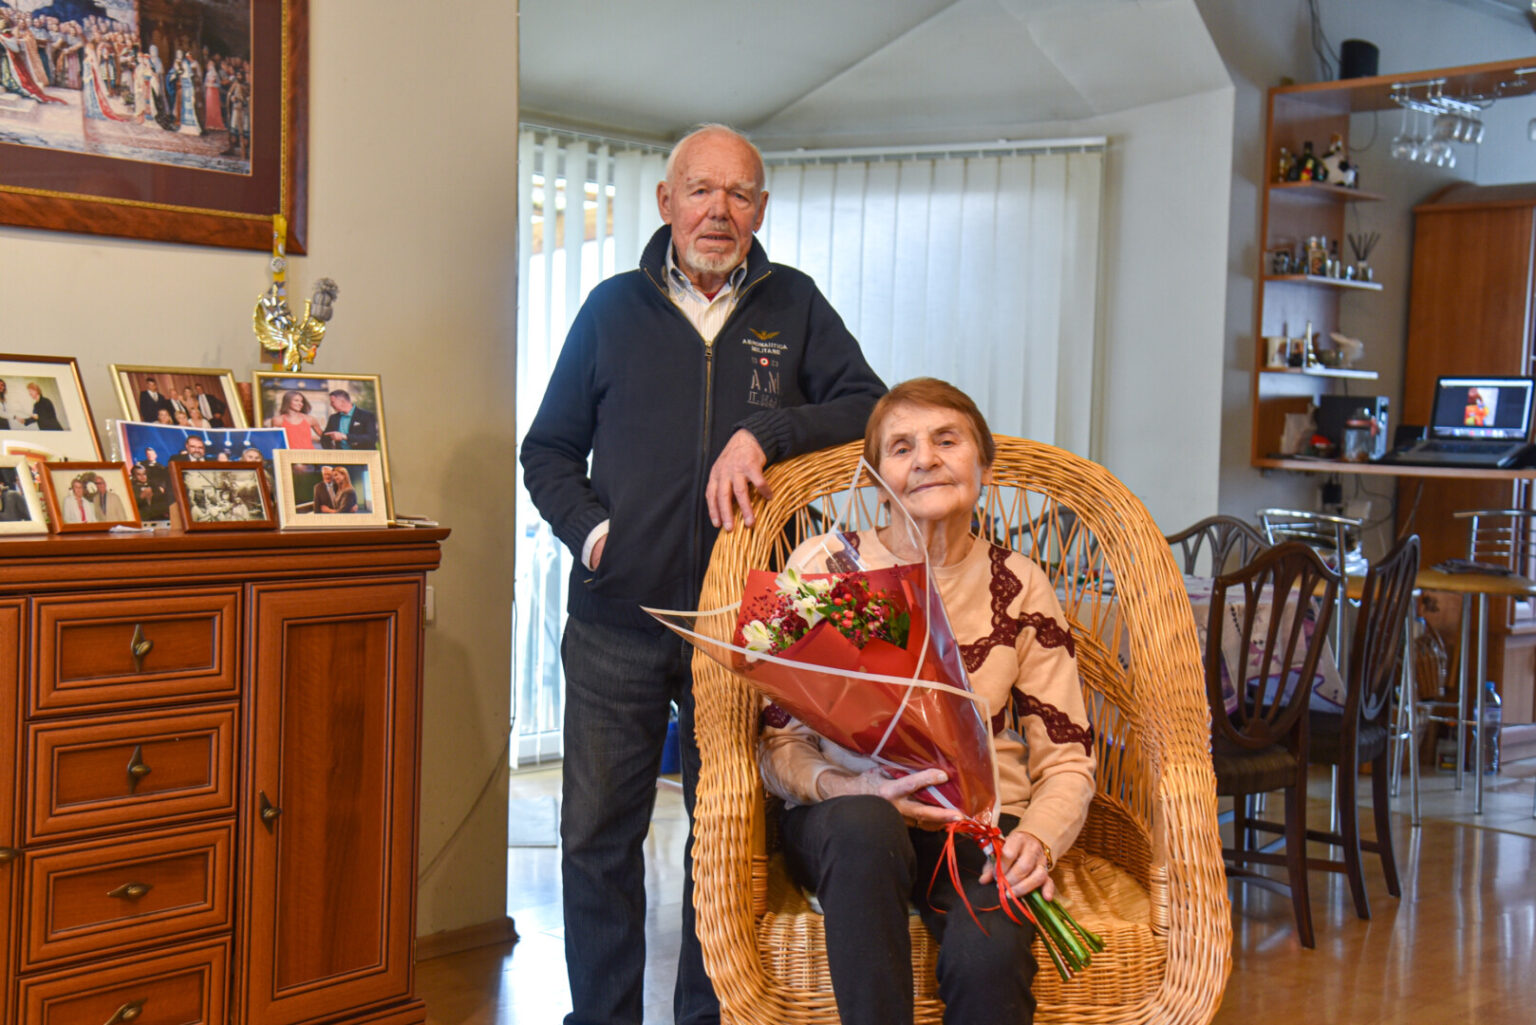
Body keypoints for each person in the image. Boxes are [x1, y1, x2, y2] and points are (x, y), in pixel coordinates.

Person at [520, 123, 885, 1025]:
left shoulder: (794, 305)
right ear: (666, 201)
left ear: (760, 209)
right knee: (596, 838)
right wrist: (594, 535)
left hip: (743, 627)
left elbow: (868, 406)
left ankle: (705, 1017)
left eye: (739, 193)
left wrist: (770, 431)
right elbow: (549, 449)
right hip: (617, 621)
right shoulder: (610, 310)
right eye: (701, 190)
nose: (719, 211)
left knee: (720, 844)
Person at [760, 378, 1096, 1025]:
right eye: (901, 447)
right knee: (867, 822)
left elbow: (1068, 757)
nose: (925, 459)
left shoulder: (1020, 583)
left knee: (990, 953)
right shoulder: (825, 566)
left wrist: (1037, 839)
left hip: (974, 828)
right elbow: (779, 744)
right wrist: (846, 785)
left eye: (947, 440)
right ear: (875, 479)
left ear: (984, 466)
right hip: (843, 826)